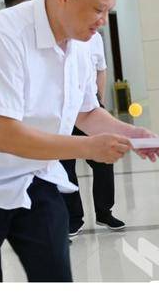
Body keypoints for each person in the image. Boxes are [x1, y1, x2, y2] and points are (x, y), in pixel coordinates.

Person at [0, 0, 159, 282]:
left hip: (37, 178)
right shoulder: (1, 37)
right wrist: (89, 148)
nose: (102, 21)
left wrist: (133, 134)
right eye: (98, 10)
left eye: (108, 12)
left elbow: (88, 112)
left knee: (56, 277)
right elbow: (5, 136)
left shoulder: (82, 41)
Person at [59, 30, 124, 234]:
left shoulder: (94, 37)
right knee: (65, 165)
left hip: (89, 105)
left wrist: (99, 103)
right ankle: (73, 217)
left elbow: (100, 70)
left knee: (104, 160)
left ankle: (104, 212)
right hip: (62, 110)